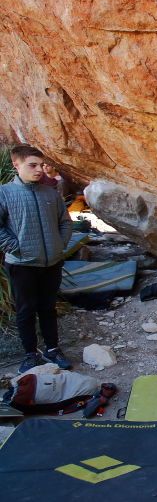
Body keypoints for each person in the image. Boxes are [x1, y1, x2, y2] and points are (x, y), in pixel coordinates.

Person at [0, 145, 73, 373]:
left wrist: (59, 245)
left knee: (48, 308)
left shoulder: (51, 194)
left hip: (51, 262)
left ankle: (53, 349)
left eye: (41, 165)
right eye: (33, 165)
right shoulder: (4, 193)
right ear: (16, 165)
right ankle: (30, 354)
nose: (39, 170)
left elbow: (65, 221)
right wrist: (16, 247)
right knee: (26, 309)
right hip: (21, 264)